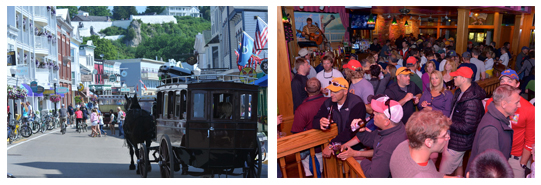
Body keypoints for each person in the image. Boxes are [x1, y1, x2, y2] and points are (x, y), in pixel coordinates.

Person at [336, 95, 407, 178]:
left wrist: (363, 162)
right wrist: (360, 131)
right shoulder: (396, 126)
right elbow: (372, 140)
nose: (373, 113)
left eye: (377, 112)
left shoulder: (387, 146)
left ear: (386, 121)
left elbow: (374, 176)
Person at [484, 69, 535, 178]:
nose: (505, 83)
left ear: (517, 84)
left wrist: (523, 163)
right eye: (502, 80)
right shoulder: (490, 103)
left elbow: (530, 139)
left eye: (510, 80)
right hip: (494, 153)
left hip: (514, 157)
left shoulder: (529, 109)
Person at [439, 67, 486, 177]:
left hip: (458, 142)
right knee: (459, 165)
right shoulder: (460, 91)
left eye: (456, 76)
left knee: (443, 173)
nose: (453, 78)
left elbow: (468, 127)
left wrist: (448, 123)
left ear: (464, 79)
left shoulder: (472, 101)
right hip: (456, 137)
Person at [466, 85, 521, 175]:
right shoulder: (491, 129)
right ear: (504, 104)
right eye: (516, 102)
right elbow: (487, 169)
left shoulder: (497, 118)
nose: (519, 105)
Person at [313, 77, 367, 157]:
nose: (331, 94)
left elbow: (350, 131)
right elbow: (314, 121)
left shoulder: (357, 104)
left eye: (335, 92)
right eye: (331, 91)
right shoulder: (328, 102)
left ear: (345, 91)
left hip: (353, 149)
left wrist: (331, 145)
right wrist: (320, 122)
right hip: (337, 147)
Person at [389, 110, 452, 178]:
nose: (448, 137)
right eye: (444, 135)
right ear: (429, 142)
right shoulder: (421, 176)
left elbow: (431, 173)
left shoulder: (402, 146)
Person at [291, 78, 327, 177]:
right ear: (320, 89)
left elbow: (296, 133)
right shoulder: (329, 101)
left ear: (306, 89)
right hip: (328, 144)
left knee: (312, 175)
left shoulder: (302, 109)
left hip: (313, 150)